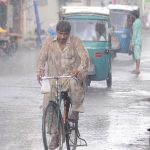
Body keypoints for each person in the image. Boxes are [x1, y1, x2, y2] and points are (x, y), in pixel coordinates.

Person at [36, 20, 89, 149]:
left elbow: (85, 58)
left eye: (65, 34)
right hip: (54, 79)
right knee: (48, 101)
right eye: (60, 34)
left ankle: (75, 112)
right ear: (57, 32)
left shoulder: (76, 41)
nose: (62, 37)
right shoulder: (49, 42)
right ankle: (54, 135)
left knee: (74, 84)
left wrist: (79, 69)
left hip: (71, 77)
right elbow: (41, 58)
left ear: (69, 33)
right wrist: (40, 70)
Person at [131, 10, 142, 75]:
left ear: (134, 15)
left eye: (132, 15)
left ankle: (137, 69)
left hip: (136, 41)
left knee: (137, 56)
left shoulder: (135, 23)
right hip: (139, 40)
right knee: (136, 55)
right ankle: (136, 68)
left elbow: (134, 34)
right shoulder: (139, 21)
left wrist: (132, 43)